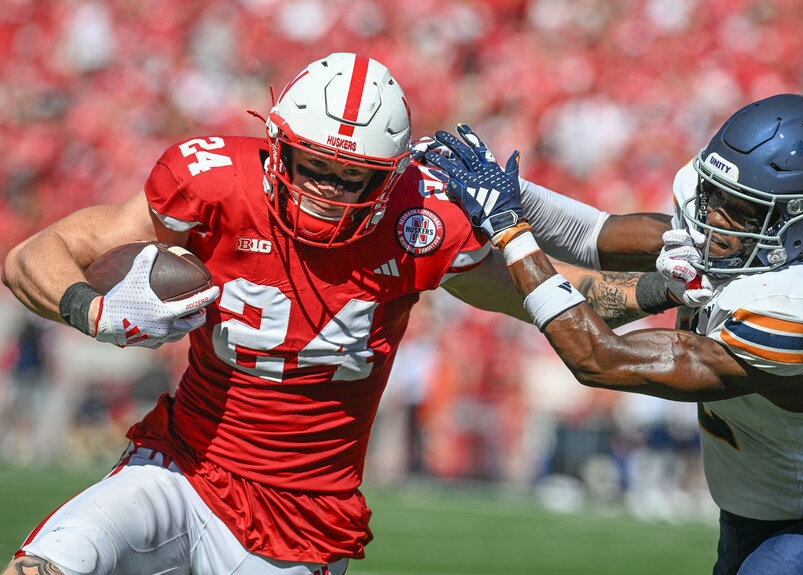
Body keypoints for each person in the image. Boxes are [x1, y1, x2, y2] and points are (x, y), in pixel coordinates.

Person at [1, 52, 671, 575]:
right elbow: (36, 253)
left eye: (355, 177)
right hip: (182, 466)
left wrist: (669, 286)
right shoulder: (214, 184)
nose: (330, 190)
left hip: (302, 522)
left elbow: (555, 301)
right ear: (277, 147)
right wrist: (93, 311)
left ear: (392, 174)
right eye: (314, 166)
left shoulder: (420, 221)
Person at [426, 94, 803, 574]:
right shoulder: (749, 241)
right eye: (715, 194)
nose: (713, 217)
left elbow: (601, 359)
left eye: (740, 208)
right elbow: (592, 235)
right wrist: (498, 191)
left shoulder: (800, 305)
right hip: (754, 512)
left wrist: (509, 228)